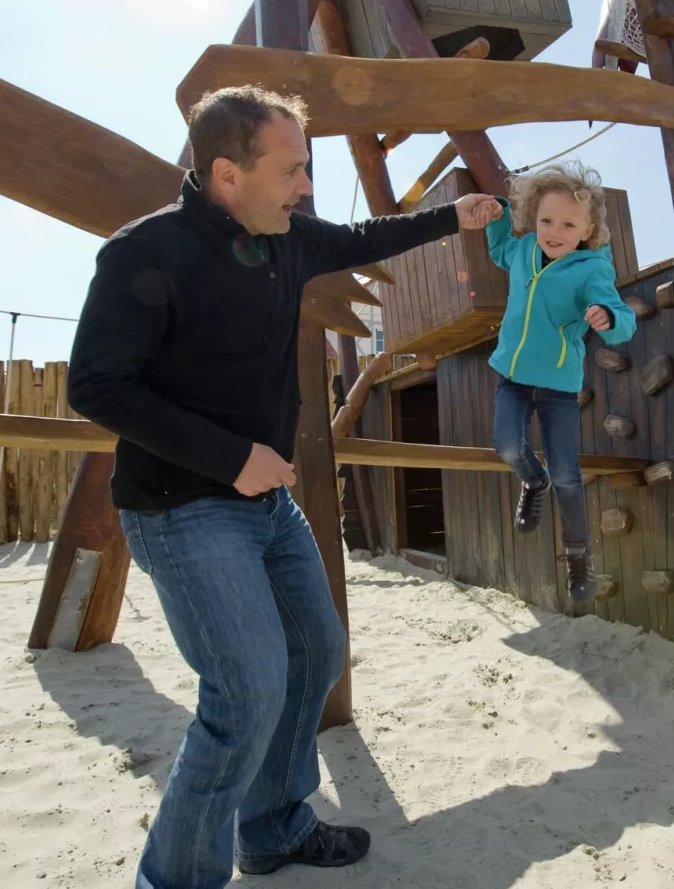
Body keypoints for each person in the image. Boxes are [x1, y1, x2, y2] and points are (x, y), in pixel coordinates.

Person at [66, 85, 503, 886]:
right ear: (228, 174)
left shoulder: (286, 238)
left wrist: (455, 216)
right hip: (182, 507)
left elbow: (364, 234)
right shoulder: (143, 252)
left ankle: (270, 829)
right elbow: (96, 387)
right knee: (247, 687)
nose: (306, 187)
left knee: (314, 650)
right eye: (294, 168)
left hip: (266, 505)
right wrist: (232, 458)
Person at [482, 161, 636, 602]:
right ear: (534, 219)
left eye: (568, 224)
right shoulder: (526, 248)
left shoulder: (591, 271)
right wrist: (495, 215)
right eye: (547, 220)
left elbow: (623, 319)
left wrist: (608, 318)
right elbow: (499, 252)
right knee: (508, 447)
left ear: (587, 230)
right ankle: (533, 481)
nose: (554, 231)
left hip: (559, 388)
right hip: (512, 376)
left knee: (568, 474)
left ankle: (578, 558)